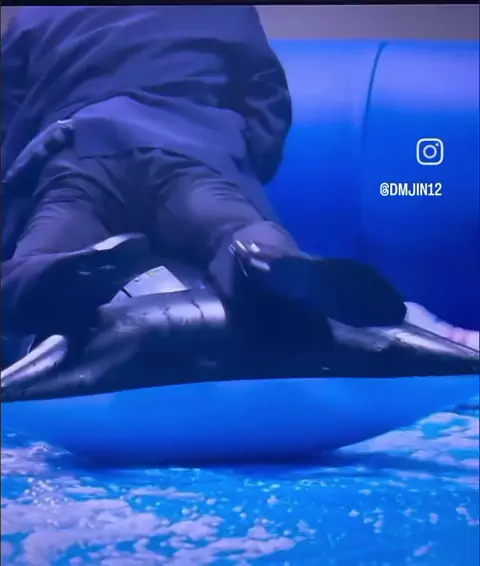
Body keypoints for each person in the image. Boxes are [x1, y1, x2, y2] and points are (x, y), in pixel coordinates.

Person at [1, 6, 406, 343]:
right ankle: (273, 265)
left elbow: (7, 119)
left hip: (82, 151)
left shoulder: (35, 15)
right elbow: (267, 101)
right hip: (189, 148)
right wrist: (240, 163)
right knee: (231, 229)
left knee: (51, 241)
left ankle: (51, 274)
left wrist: (18, 197)